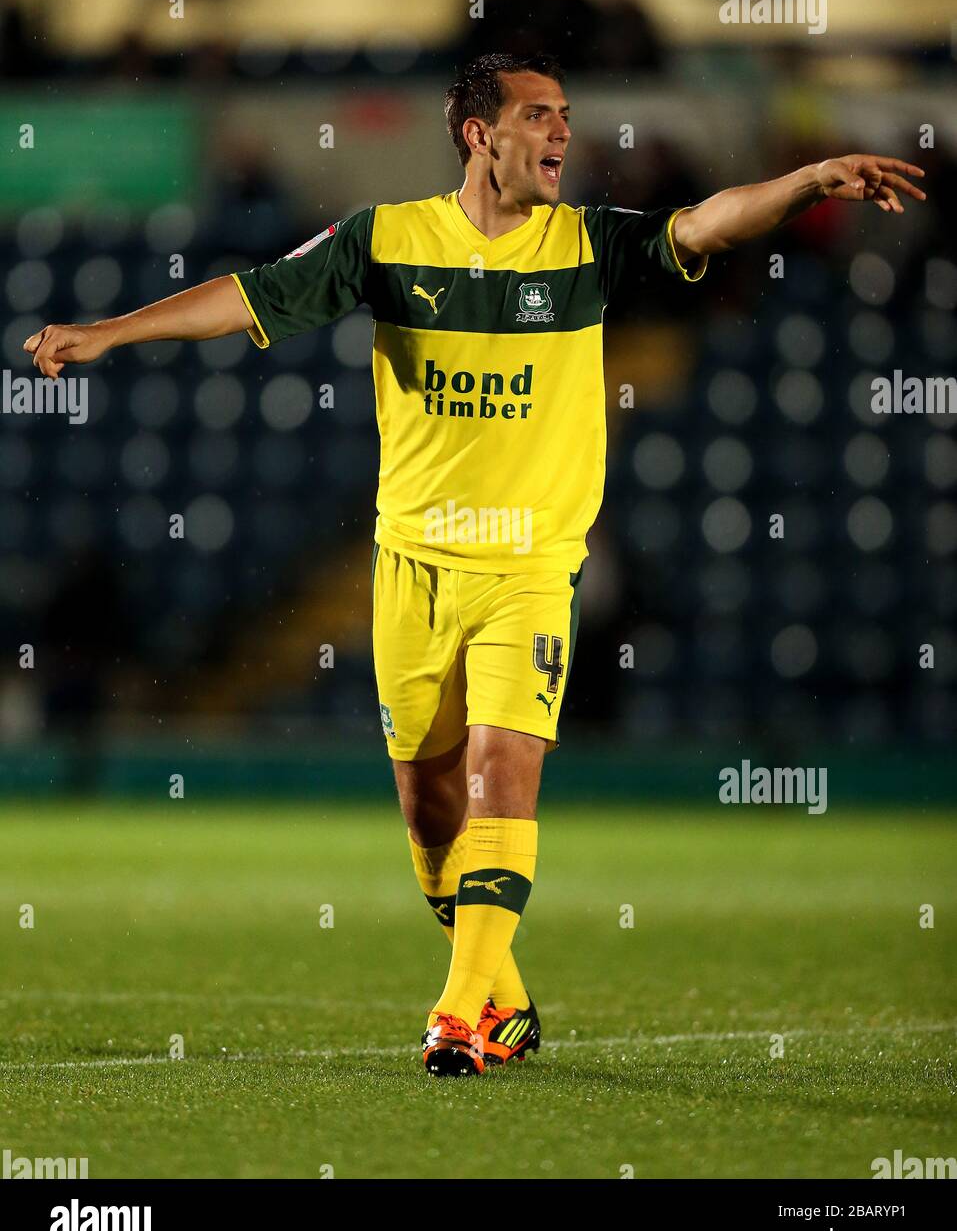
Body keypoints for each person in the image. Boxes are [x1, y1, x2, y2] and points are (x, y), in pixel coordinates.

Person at [24, 52, 926, 1077]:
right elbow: (253, 295)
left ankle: (456, 1014)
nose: (561, 134)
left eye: (567, 115)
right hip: (410, 567)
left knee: (505, 777)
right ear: (477, 133)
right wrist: (108, 333)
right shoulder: (388, 239)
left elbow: (707, 223)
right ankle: (502, 996)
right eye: (540, 116)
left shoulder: (585, 243)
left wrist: (807, 181)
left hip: (530, 569)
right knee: (431, 812)